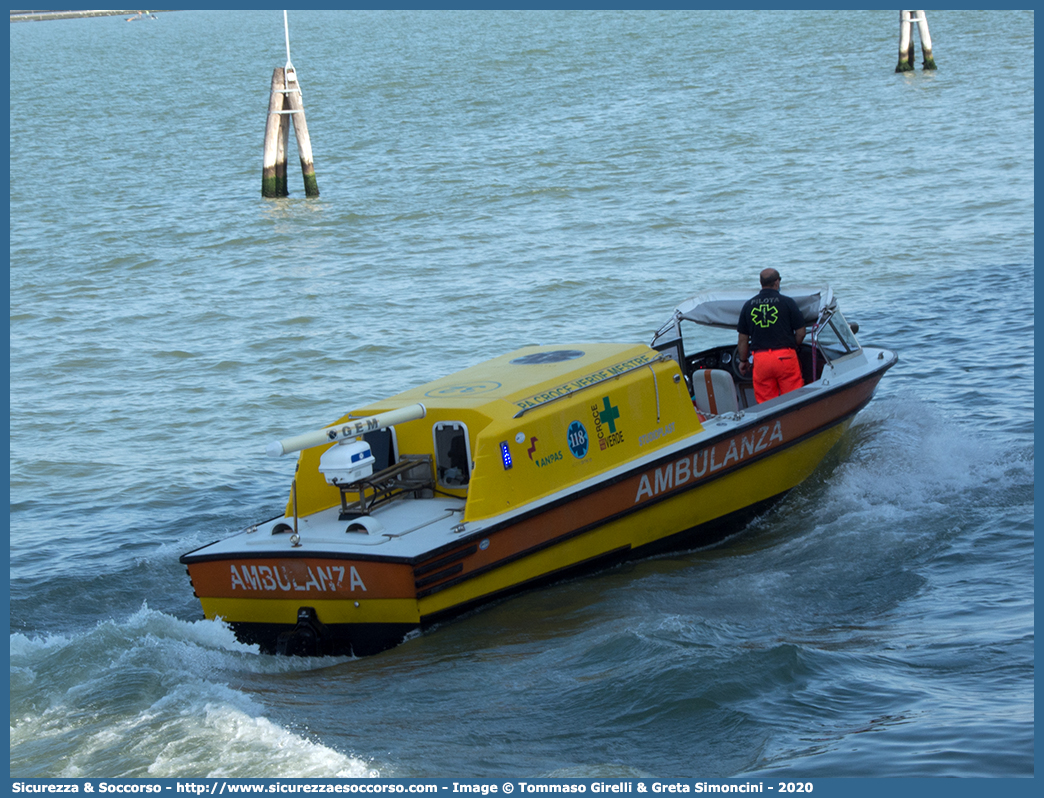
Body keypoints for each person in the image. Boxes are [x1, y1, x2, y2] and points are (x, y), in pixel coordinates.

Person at [736, 268, 806, 403]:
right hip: (785, 356)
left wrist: (743, 361)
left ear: (761, 283)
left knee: (766, 404)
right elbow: (801, 332)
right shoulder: (787, 302)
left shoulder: (748, 305)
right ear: (777, 282)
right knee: (794, 400)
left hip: (761, 360)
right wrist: (793, 345)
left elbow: (743, 339)